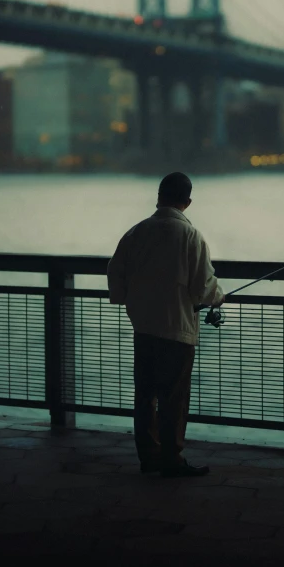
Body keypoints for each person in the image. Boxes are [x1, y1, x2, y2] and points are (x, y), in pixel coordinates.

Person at [107, 172, 224, 478]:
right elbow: (203, 286)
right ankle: (172, 458)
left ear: (158, 197)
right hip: (177, 331)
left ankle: (148, 456)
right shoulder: (190, 236)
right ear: (187, 202)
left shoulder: (136, 233)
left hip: (144, 327)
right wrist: (219, 297)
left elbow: (115, 273)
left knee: (145, 395)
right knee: (173, 398)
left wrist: (125, 298)